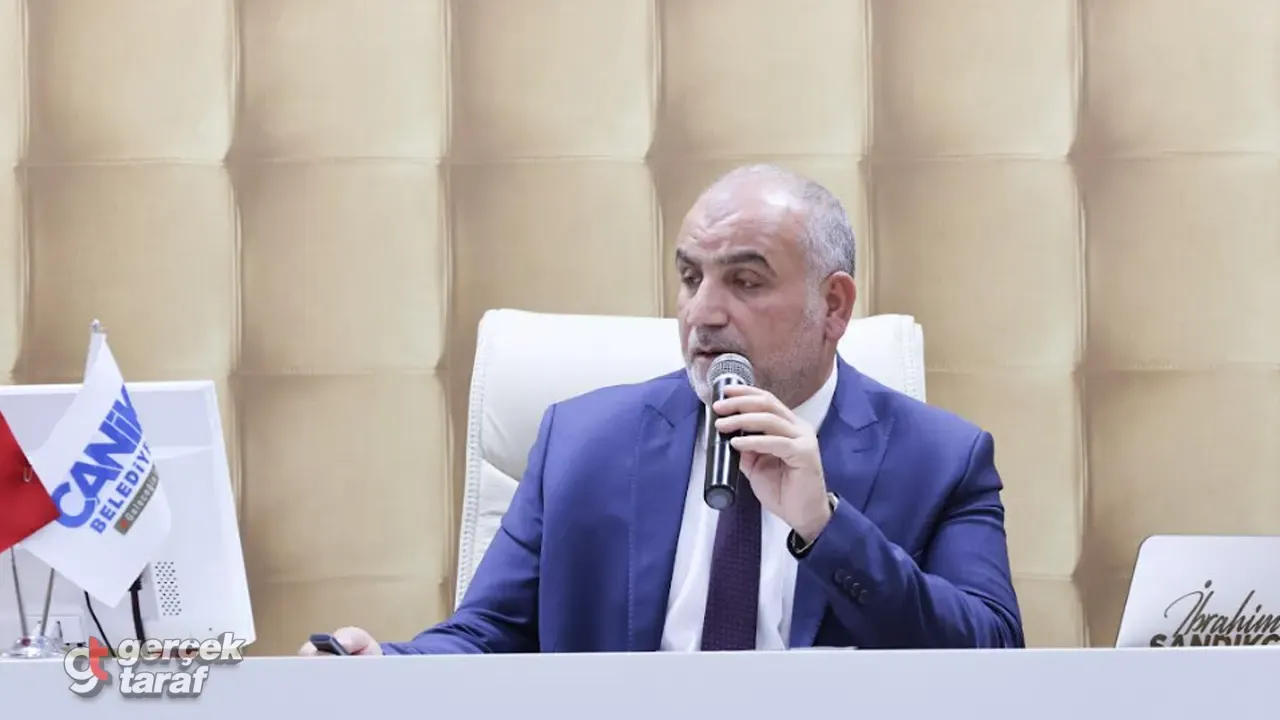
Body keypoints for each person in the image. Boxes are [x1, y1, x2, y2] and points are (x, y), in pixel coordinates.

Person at [300, 164, 1024, 656]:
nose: (702, 313)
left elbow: (993, 657)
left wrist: (826, 527)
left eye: (745, 281)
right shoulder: (580, 443)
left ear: (832, 306)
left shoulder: (943, 460)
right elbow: (487, 638)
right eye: (689, 277)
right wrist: (385, 668)